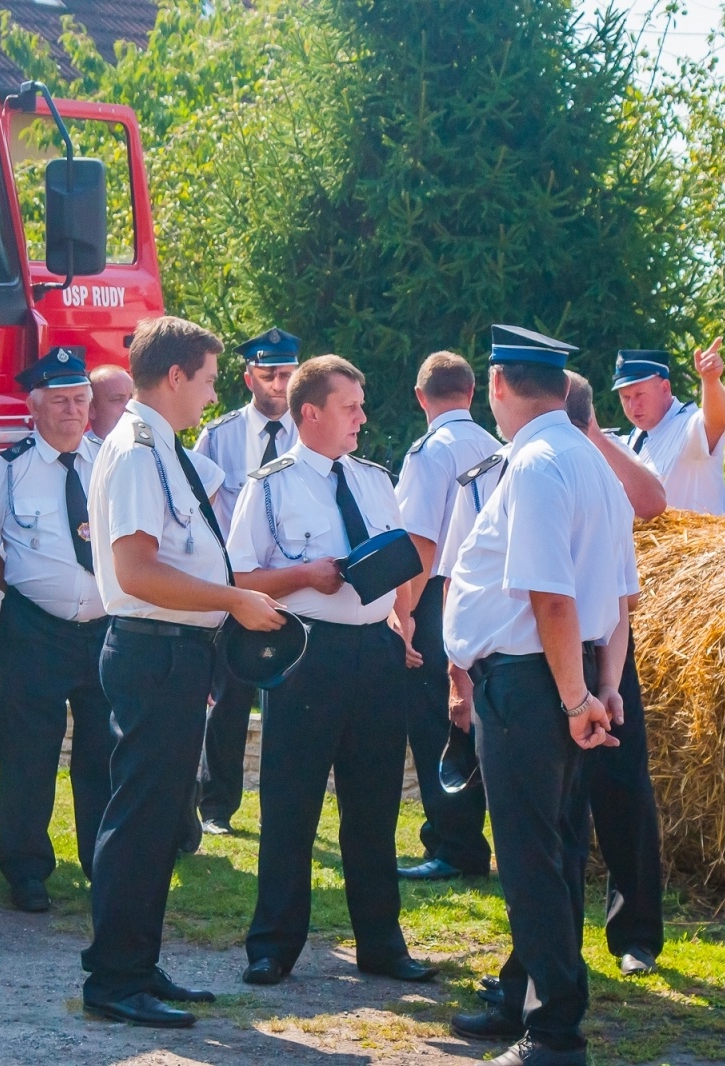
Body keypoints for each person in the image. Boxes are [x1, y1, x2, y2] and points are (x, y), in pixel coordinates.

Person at [81, 315, 285, 1028]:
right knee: (142, 817)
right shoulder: (139, 451)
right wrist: (233, 599)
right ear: (174, 377)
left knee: (161, 816)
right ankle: (114, 978)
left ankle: (136, 964)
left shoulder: (157, 445)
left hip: (174, 650)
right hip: (154, 647)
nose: (209, 394)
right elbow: (137, 571)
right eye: (204, 379)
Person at [443, 325, 637, 1066]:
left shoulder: (532, 467)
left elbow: (551, 596)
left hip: (532, 685)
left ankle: (554, 1033)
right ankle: (542, 1009)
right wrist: (603, 688)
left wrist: (571, 699)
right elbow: (620, 598)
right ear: (562, 388)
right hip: (568, 677)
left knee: (531, 860)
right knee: (556, 854)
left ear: (496, 384)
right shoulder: (590, 461)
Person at [228, 354, 437, 987]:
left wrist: (403, 621)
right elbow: (239, 578)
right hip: (306, 653)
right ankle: (272, 947)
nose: (363, 419)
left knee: (373, 808)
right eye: (351, 407)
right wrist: (303, 575)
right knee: (290, 805)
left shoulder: (374, 479)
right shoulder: (268, 485)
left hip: (375, 652)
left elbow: (400, 559)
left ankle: (381, 944)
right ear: (311, 413)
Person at [0, 347, 113, 914]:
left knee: (104, 749)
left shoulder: (111, 462)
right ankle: (26, 870)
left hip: (104, 627)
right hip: (34, 631)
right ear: (35, 407)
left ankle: (104, 862)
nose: (73, 410)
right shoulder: (8, 469)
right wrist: (29, 587)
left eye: (80, 400)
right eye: (61, 401)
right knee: (29, 754)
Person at [565, 371, 667, 977]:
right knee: (559, 804)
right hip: (544, 654)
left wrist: (596, 435)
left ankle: (635, 934)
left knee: (622, 792)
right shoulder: (516, 464)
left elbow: (652, 501)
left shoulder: (603, 466)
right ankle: (556, 939)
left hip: (602, 647)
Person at [394, 351, 502, 882]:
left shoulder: (427, 451)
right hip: (491, 596)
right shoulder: (497, 445)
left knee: (436, 722)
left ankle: (453, 845)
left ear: (421, 397)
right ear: (472, 392)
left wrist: (405, 612)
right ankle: (471, 841)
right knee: (476, 716)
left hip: (438, 593)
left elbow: (418, 541)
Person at [191, 327, 301, 836]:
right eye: (270, 373)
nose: (280, 383)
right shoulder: (219, 435)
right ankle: (216, 807)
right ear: (247, 377)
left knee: (294, 699)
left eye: (288, 373)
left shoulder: (311, 429)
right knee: (230, 700)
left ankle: (285, 810)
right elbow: (203, 516)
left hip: (298, 586)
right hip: (237, 587)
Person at [612, 341, 725, 515]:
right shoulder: (635, 438)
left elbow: (716, 420)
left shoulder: (687, 426)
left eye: (639, 394)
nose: (632, 405)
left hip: (693, 541)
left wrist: (711, 381)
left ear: (665, 388)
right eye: (625, 397)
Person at [87, 362, 134, 443]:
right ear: (91, 409)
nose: (129, 406)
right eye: (117, 399)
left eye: (132, 398)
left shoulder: (154, 447)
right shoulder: (78, 453)